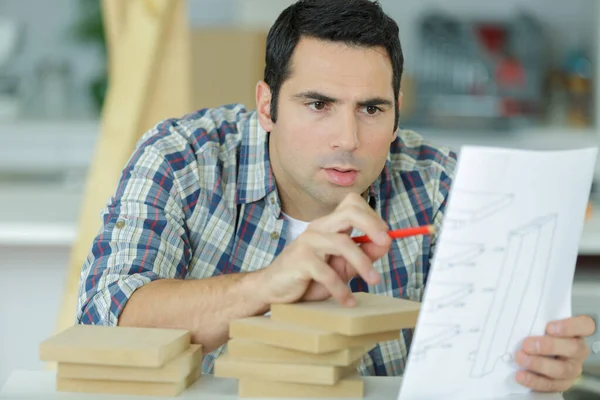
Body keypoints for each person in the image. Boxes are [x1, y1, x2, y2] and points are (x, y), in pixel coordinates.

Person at [76, 0, 594, 392]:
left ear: (396, 111)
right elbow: (105, 319)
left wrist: (538, 365)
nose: (347, 138)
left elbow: (490, 358)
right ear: (267, 105)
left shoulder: (439, 185)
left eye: (371, 109)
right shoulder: (184, 158)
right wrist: (268, 285)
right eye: (318, 104)